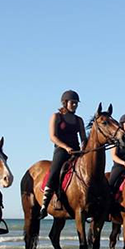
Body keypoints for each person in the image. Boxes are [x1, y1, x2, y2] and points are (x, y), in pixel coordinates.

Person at [39, 90, 87, 218]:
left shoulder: (79, 120)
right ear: (65, 103)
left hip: (76, 151)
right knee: (54, 172)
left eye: (76, 103)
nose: (75, 105)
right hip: (61, 150)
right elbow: (52, 137)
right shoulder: (56, 117)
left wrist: (85, 147)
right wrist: (66, 147)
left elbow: (83, 138)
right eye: (73, 103)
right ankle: (45, 203)